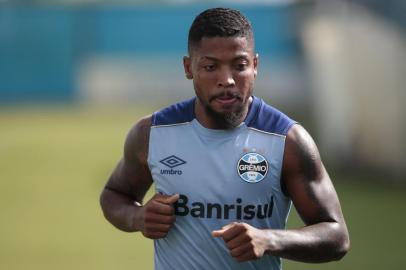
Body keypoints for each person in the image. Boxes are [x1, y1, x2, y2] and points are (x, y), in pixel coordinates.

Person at [100, 7, 350, 270]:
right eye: (210, 67)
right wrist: (137, 217)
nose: (227, 80)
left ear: (255, 66)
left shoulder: (287, 140)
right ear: (189, 68)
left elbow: (336, 236)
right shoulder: (152, 133)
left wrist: (269, 239)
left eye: (239, 66)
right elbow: (114, 195)